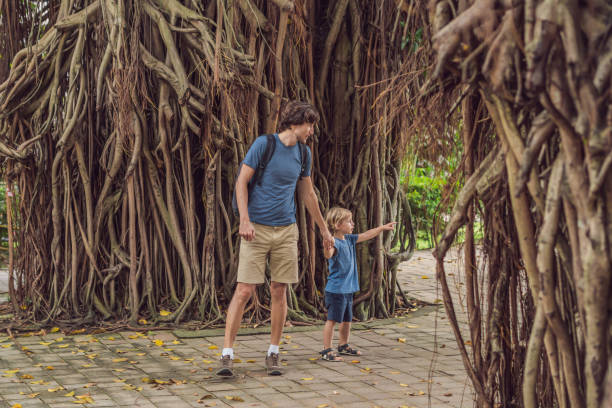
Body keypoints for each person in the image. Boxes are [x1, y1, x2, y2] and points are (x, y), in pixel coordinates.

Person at [217, 101, 334, 377]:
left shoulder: (304, 154)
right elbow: (241, 182)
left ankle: (273, 351)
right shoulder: (264, 144)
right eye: (310, 125)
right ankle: (227, 354)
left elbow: (308, 194)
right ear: (296, 123)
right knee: (245, 290)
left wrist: (325, 230)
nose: (312, 131)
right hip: (256, 228)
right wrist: (244, 220)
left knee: (279, 290)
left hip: (286, 230)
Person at [319, 207, 396, 361]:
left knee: (347, 319)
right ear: (338, 224)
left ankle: (343, 345)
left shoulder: (349, 240)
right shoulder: (335, 243)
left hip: (348, 289)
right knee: (332, 320)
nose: (353, 224)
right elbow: (329, 254)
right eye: (349, 221)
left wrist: (381, 228)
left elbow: (367, 235)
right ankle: (326, 349)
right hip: (336, 290)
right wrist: (327, 248)